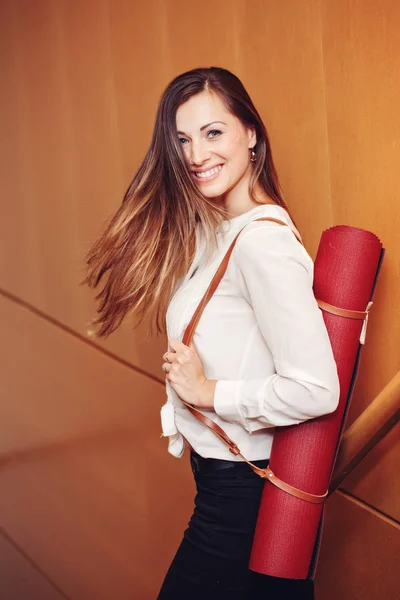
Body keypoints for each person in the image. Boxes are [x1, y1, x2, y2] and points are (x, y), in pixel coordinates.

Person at [82, 67, 340, 599]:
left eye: (213, 132)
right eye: (182, 140)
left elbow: (317, 388)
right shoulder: (222, 231)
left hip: (240, 497)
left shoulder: (260, 245)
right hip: (220, 490)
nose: (196, 154)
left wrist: (206, 392)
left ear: (252, 133)